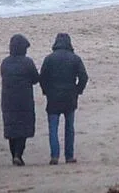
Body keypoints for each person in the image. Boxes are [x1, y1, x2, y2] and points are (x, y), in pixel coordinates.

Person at [39, 33, 88, 165]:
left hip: (53, 96)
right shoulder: (75, 59)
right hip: (70, 96)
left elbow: (42, 77)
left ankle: (55, 156)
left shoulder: (49, 59)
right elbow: (84, 77)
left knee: (53, 128)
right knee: (69, 127)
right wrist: (78, 90)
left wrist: (46, 91)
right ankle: (69, 156)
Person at [0, 34, 39, 166]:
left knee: (11, 128)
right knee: (23, 128)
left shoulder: (5, 63)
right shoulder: (27, 62)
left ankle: (14, 155)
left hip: (8, 99)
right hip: (24, 99)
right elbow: (35, 79)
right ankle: (18, 154)